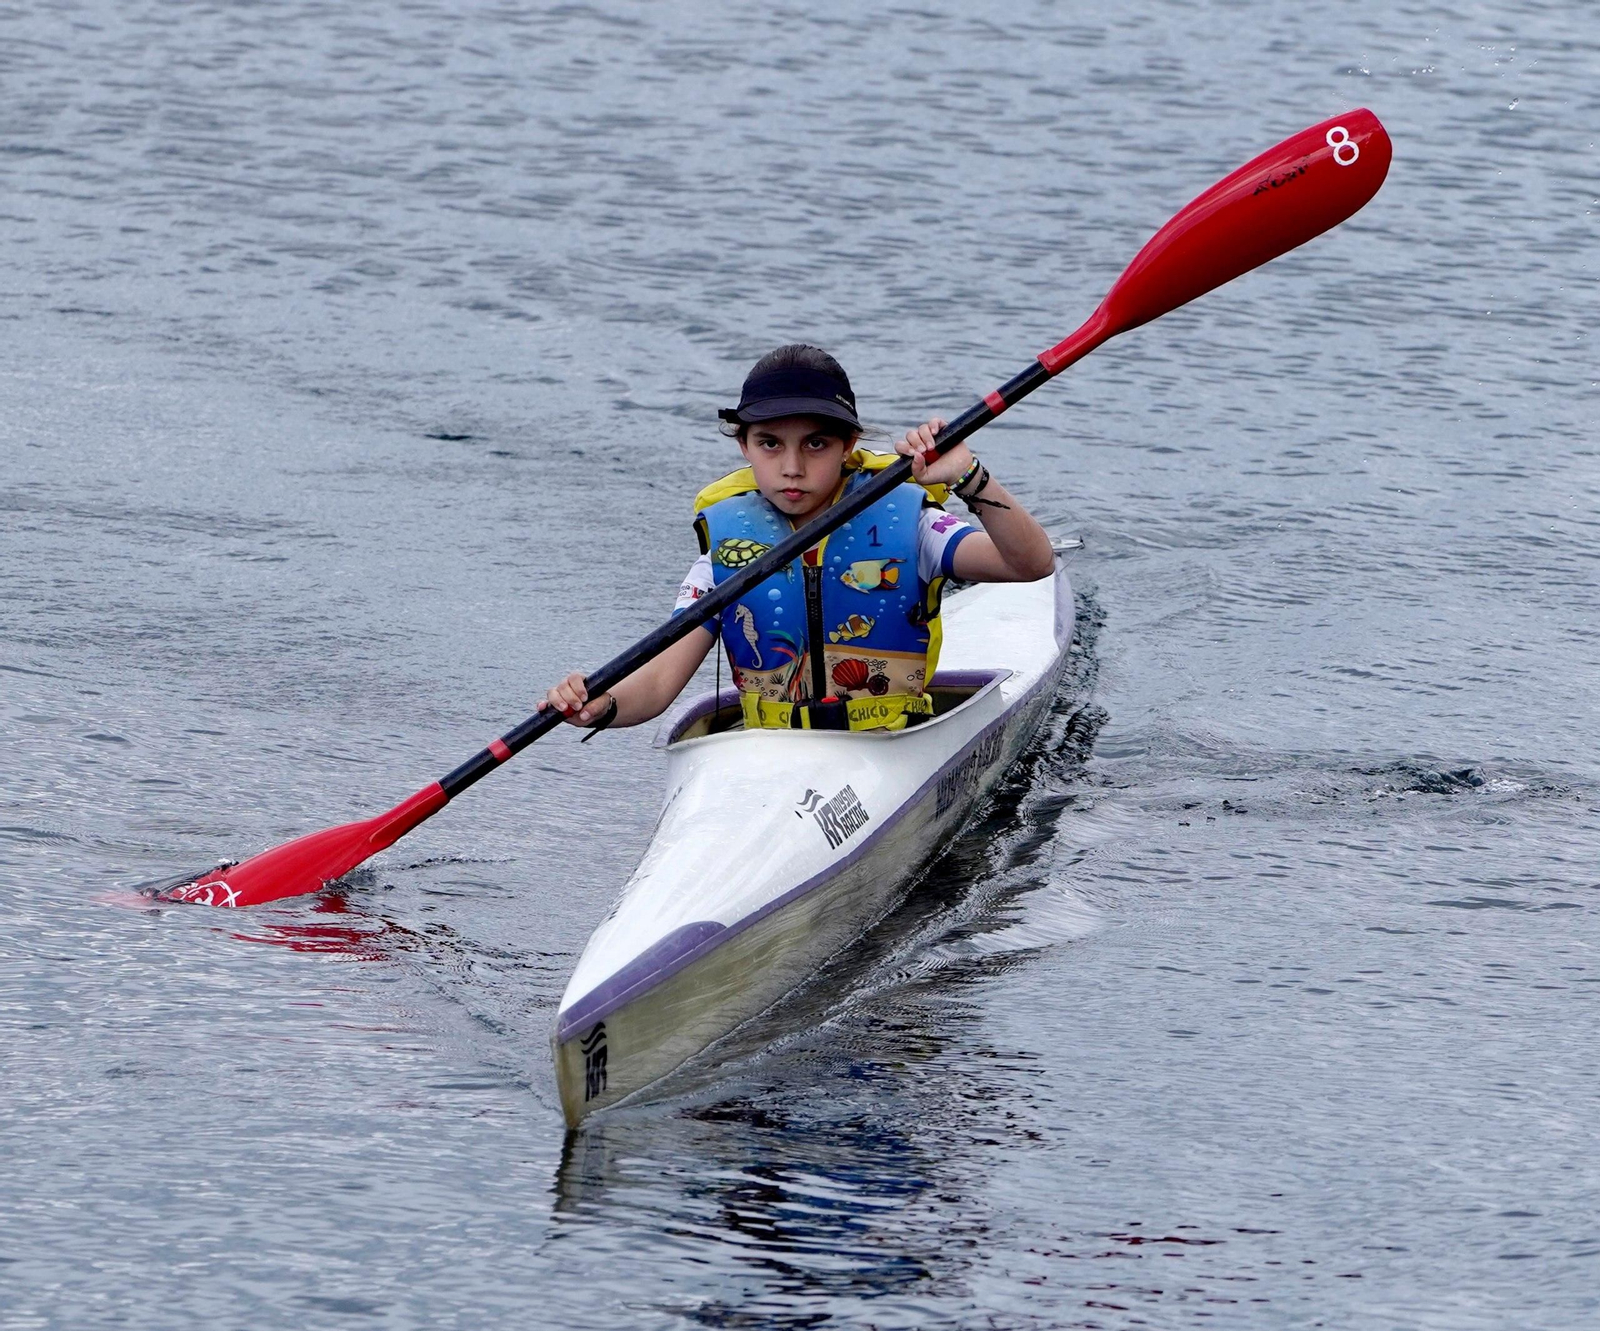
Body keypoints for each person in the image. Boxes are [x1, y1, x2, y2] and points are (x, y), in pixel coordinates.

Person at [541, 344, 1055, 734]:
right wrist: (600, 706)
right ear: (743, 444)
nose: (792, 468)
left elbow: (1030, 563)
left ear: (849, 444)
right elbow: (656, 685)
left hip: (893, 744)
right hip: (774, 755)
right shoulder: (726, 554)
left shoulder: (912, 525)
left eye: (815, 443)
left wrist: (970, 478)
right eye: (770, 444)